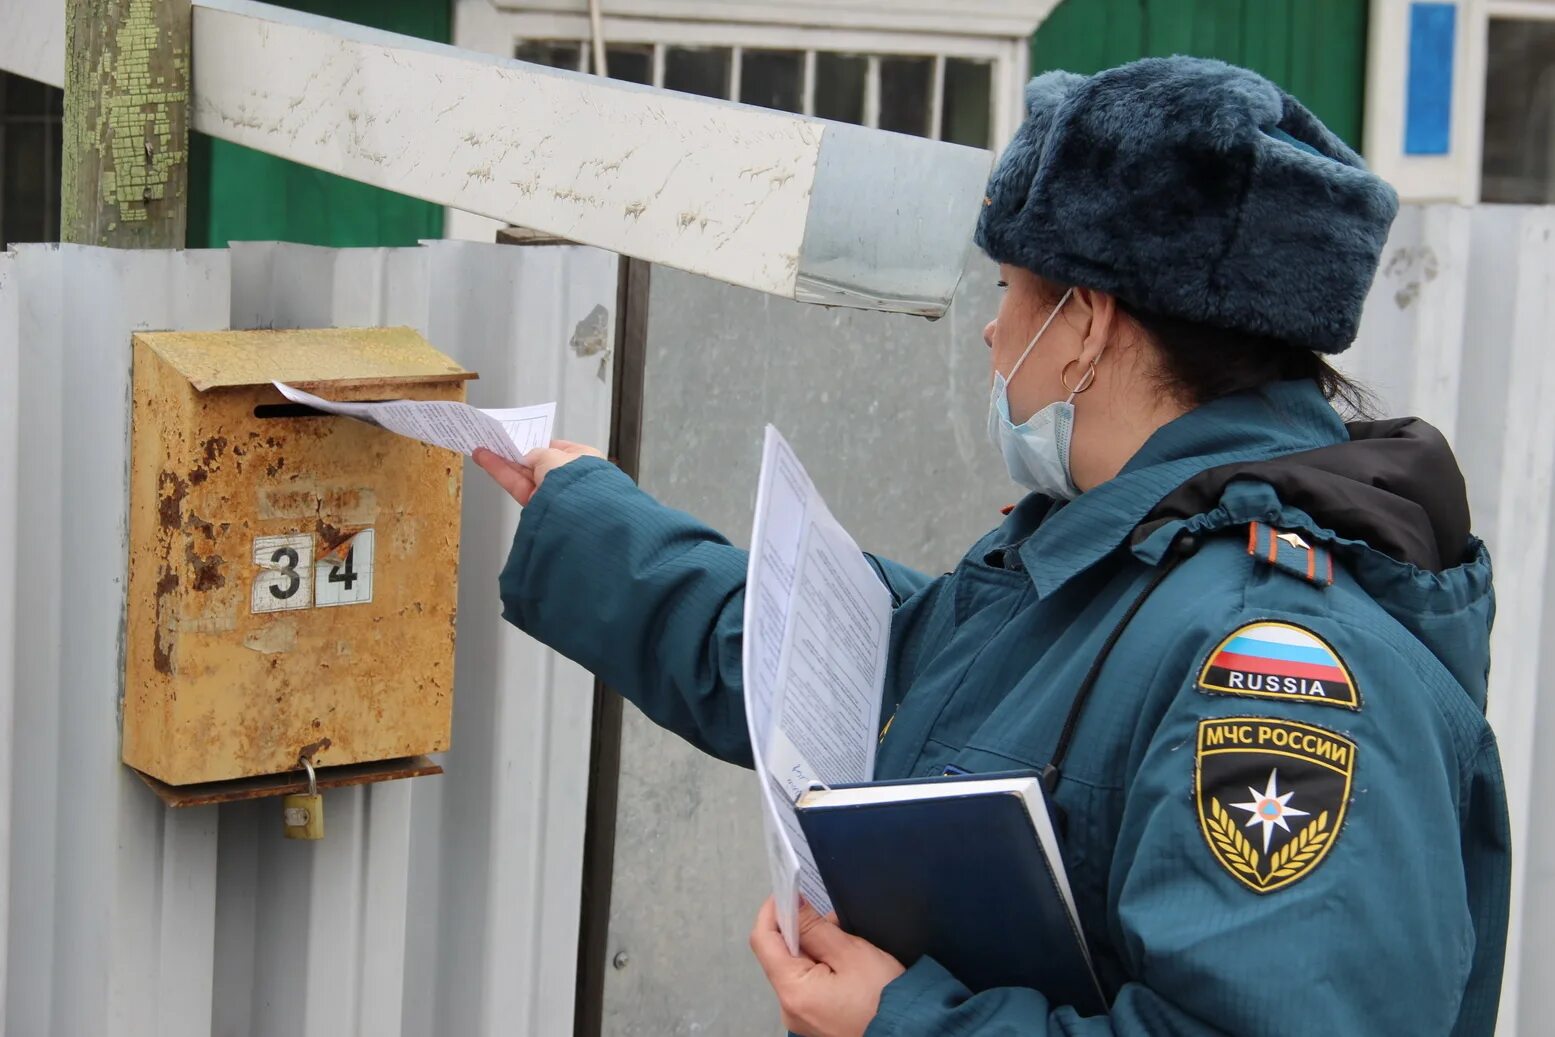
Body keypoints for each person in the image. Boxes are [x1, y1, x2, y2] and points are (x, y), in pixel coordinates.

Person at [474, 57, 1510, 1036]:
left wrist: (902, 1020)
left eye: (1011, 287)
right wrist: (583, 510)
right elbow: (830, 666)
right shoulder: (1104, 564)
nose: (989, 330)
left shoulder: (1275, 658)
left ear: (1089, 325)